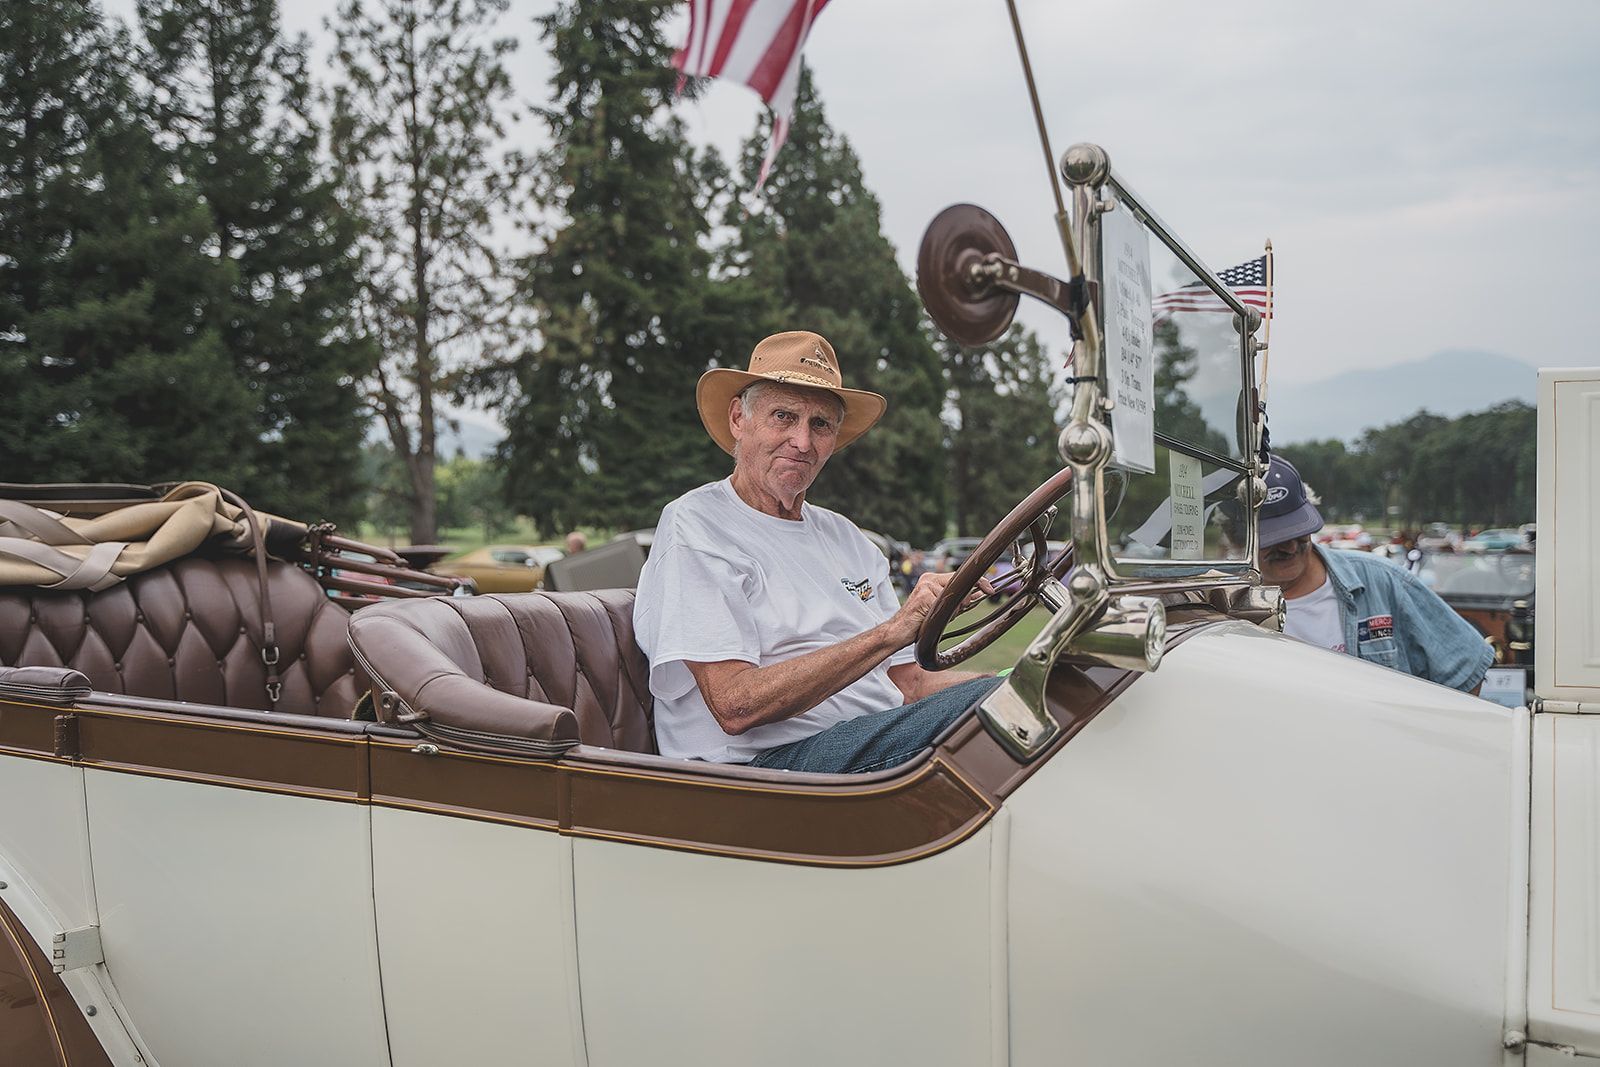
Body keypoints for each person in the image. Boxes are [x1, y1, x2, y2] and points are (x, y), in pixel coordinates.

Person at [632, 330, 1000, 773]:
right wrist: (893, 631)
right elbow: (734, 705)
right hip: (761, 770)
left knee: (1022, 696)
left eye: (820, 424)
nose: (802, 442)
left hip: (867, 742)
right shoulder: (697, 524)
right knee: (1001, 715)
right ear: (738, 419)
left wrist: (1010, 679)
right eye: (783, 417)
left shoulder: (848, 538)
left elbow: (909, 686)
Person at [1258, 455, 1492, 693]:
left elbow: (1468, 666)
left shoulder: (1380, 579)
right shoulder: (1233, 607)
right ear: (1239, 536)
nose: (1290, 548)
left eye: (1298, 532)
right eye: (1274, 538)